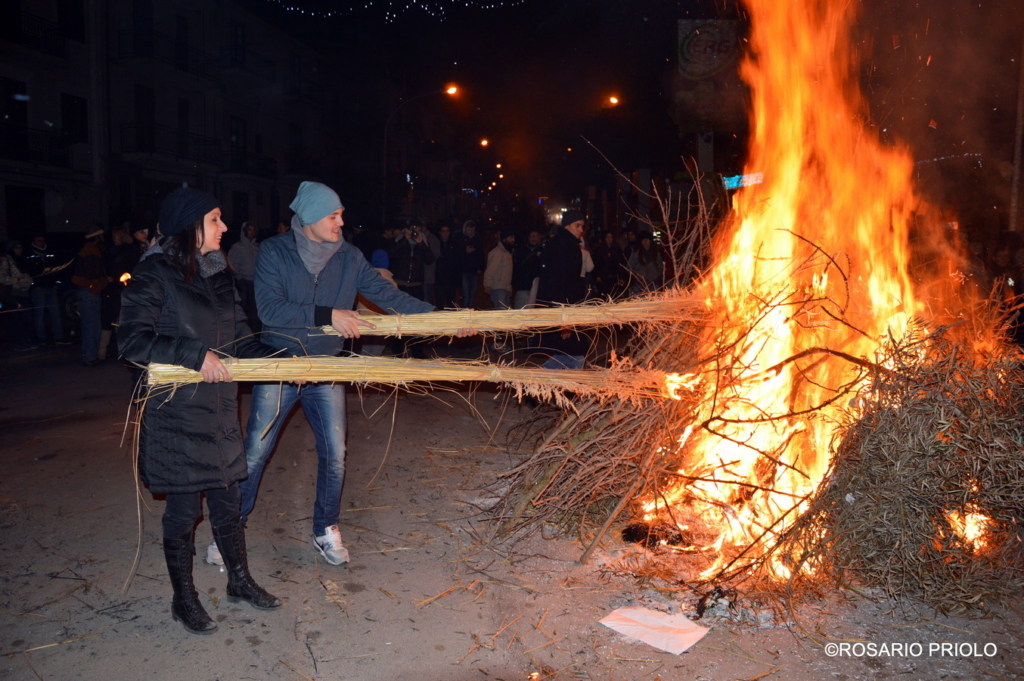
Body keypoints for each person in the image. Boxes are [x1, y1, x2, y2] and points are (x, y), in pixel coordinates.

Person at [206, 181, 444, 569]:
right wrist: (327, 316)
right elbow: (269, 310)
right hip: (281, 364)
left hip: (327, 369)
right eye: (334, 215)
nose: (341, 221)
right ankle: (229, 529)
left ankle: (326, 528)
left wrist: (440, 318)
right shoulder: (274, 252)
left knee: (335, 454)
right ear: (313, 217)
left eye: (340, 214)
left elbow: (389, 298)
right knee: (255, 452)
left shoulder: (349, 257)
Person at [119, 186, 281, 635]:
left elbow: (242, 338)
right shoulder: (153, 275)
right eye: (215, 219)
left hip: (219, 412)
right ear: (190, 227)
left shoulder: (219, 272)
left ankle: (239, 582)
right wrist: (193, 356)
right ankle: (183, 598)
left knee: (229, 504)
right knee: (184, 510)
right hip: (178, 416)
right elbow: (132, 342)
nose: (224, 227)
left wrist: (286, 357)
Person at [535, 210, 589, 370]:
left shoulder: (563, 244)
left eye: (583, 226)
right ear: (567, 226)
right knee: (575, 353)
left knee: (568, 354)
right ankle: (535, 385)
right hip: (562, 310)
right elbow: (560, 284)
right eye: (577, 225)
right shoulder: (564, 247)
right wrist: (565, 321)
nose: (581, 230)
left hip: (563, 309)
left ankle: (535, 386)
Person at [72, 228, 109, 365]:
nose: (103, 239)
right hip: (89, 293)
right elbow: (93, 276)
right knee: (91, 326)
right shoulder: (91, 252)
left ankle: (90, 355)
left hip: (87, 292)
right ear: (97, 237)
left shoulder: (88, 250)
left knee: (90, 325)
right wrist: (102, 283)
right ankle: (90, 357)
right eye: (101, 236)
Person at [25, 235, 71, 345]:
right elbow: (28, 273)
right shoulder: (29, 256)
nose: (41, 243)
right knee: (39, 315)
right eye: (38, 241)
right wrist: (34, 286)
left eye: (42, 240)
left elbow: (57, 270)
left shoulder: (50, 254)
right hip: (38, 289)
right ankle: (41, 338)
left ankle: (58, 337)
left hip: (51, 288)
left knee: (55, 314)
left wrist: (56, 284)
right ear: (34, 242)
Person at [0, 240, 36, 350]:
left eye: (21, 248)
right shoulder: (5, 260)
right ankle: (18, 342)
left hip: (24, 292)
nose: (19, 250)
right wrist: (18, 280)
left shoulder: (21, 260)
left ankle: (24, 340)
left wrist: (28, 280)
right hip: (13, 293)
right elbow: (2, 278)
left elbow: (25, 274)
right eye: (17, 248)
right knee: (16, 319)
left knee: (27, 318)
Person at [388, 219, 434, 301]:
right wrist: (404, 239)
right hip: (399, 283)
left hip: (416, 284)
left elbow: (429, 260)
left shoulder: (423, 243)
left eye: (418, 230)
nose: (415, 232)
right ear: (407, 230)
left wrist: (421, 243)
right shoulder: (399, 240)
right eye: (413, 230)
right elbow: (391, 253)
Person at [229, 221, 261, 332]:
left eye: (253, 230)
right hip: (242, 283)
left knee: (256, 310)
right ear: (244, 231)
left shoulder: (258, 247)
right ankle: (241, 334)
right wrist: (239, 278)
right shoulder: (237, 247)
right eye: (249, 229)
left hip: (255, 283)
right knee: (241, 310)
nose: (251, 232)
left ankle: (256, 333)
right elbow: (230, 264)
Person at [453, 220, 485, 307]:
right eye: (469, 230)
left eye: (472, 230)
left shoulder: (477, 240)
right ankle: (464, 312)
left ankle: (470, 311)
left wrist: (480, 268)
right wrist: (465, 251)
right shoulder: (459, 239)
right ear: (465, 229)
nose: (470, 232)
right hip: (464, 271)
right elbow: (456, 255)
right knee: (465, 295)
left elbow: (481, 255)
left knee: (472, 295)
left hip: (474, 271)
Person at [483, 227, 515, 309]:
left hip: (504, 289)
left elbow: (507, 273)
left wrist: (509, 288)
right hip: (498, 288)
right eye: (510, 237)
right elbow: (491, 270)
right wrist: (488, 285)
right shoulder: (497, 252)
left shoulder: (507, 253)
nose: (513, 240)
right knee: (501, 314)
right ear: (504, 239)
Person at [512, 228, 544, 309]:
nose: (533, 238)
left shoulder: (544, 251)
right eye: (531, 236)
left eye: (536, 236)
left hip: (538, 288)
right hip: (523, 287)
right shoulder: (521, 251)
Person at [434, 222, 462, 309]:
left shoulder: (454, 244)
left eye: (447, 231)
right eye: (443, 231)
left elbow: (457, 262)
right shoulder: (436, 243)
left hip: (451, 279)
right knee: (439, 302)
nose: (445, 233)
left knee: (451, 303)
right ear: (440, 232)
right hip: (439, 279)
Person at [592, 230, 626, 298]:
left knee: (614, 296)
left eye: (611, 237)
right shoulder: (599, 250)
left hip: (614, 277)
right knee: (603, 296)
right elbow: (596, 263)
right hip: (603, 277)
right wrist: (597, 275)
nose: (609, 239)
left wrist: (621, 277)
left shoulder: (617, 249)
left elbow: (621, 264)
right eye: (607, 237)